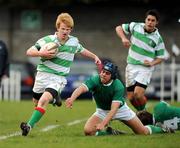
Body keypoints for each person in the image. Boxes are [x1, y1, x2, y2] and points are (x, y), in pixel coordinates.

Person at [20, 12, 101, 136]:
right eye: (63, 29)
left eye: (68, 29)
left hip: (58, 77)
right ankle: (54, 100)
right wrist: (42, 54)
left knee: (43, 100)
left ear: (71, 30)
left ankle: (28, 126)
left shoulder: (73, 42)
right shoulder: (48, 40)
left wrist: (95, 56)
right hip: (42, 75)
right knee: (36, 102)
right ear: (57, 28)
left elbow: (82, 50)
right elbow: (29, 51)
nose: (65, 32)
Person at [65, 61, 173, 136]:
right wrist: (72, 98)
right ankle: (110, 132)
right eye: (103, 71)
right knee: (88, 131)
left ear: (112, 76)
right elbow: (81, 88)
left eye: (107, 73)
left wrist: (103, 124)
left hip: (121, 110)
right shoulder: (95, 79)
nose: (103, 74)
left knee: (142, 132)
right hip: (102, 111)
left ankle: (163, 129)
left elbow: (114, 110)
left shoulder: (118, 86)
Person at [115, 9, 167, 111]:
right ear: (145, 20)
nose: (150, 22)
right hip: (130, 66)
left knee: (138, 95)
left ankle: (144, 113)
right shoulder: (135, 26)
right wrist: (123, 38)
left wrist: (152, 63)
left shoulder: (158, 38)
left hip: (145, 68)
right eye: (148, 19)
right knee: (130, 97)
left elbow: (161, 57)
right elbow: (118, 28)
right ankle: (141, 113)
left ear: (157, 23)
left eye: (153, 20)